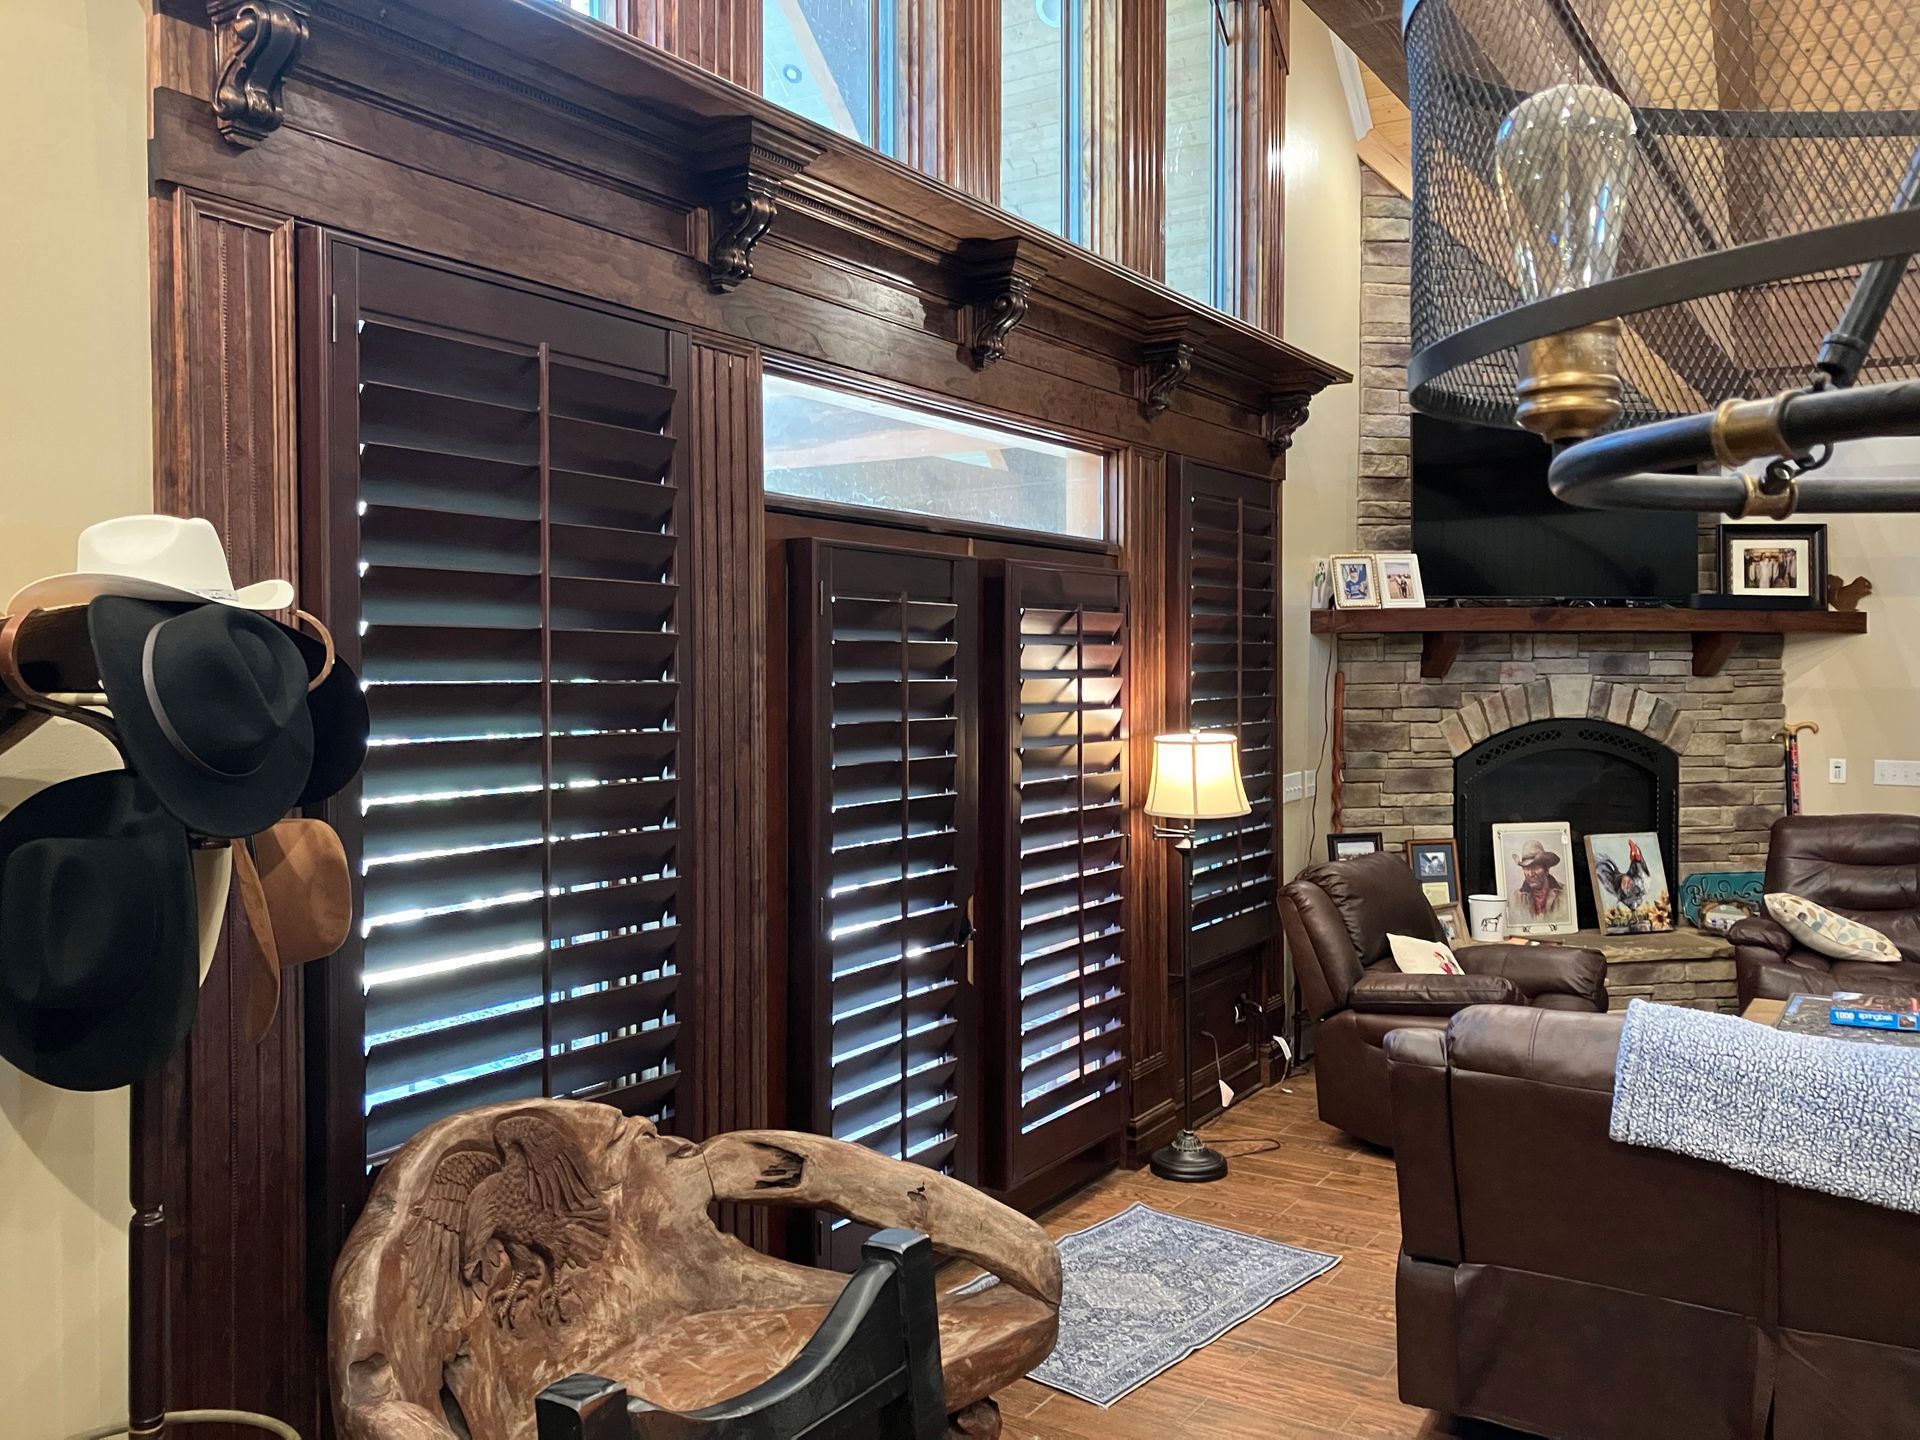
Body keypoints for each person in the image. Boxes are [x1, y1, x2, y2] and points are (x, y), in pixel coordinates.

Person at [1512, 837, 1567, 921]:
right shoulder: (1516, 898)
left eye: (1535, 867)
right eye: (1526, 868)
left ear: (1546, 869)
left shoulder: (1565, 894)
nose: (1530, 874)